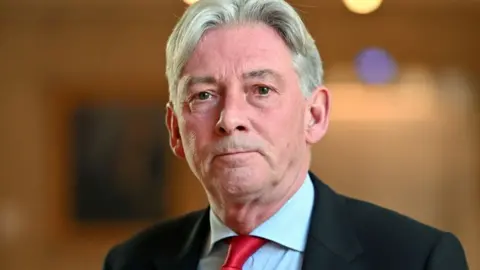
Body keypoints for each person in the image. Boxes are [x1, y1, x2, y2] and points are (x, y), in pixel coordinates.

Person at [103, 0, 469, 269]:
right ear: (175, 131)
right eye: (203, 96)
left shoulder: (418, 259)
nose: (230, 119)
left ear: (315, 114)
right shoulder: (130, 262)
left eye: (261, 89)